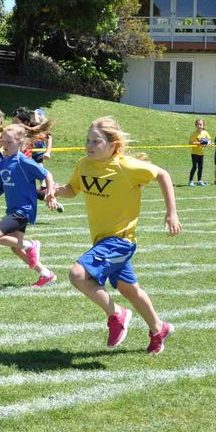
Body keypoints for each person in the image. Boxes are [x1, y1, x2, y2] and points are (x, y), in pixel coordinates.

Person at [54, 116, 182, 353]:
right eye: (87, 140)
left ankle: (117, 314)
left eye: (96, 141)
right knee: (129, 289)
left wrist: (171, 213)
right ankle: (159, 329)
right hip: (102, 241)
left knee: (77, 274)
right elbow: (73, 189)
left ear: (112, 144)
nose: (89, 145)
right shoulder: (84, 164)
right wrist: (57, 191)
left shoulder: (126, 167)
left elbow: (162, 174)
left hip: (120, 241)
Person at [0, 122, 58, 287]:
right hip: (13, 210)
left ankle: (31, 245)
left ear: (20, 143)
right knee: (16, 247)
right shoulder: (2, 164)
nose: (5, 145)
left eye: (9, 142)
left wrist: (50, 192)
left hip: (24, 210)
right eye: (4, 141)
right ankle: (46, 274)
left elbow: (47, 174)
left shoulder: (23, 161)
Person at [187, 118, 210, 186]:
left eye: (201, 124)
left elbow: (209, 140)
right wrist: (199, 143)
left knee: (200, 167)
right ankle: (190, 181)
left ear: (203, 125)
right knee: (195, 166)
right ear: (196, 125)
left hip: (201, 153)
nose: (199, 126)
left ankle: (199, 180)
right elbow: (190, 142)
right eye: (198, 124)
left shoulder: (205, 133)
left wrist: (207, 143)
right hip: (194, 153)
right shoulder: (194, 134)